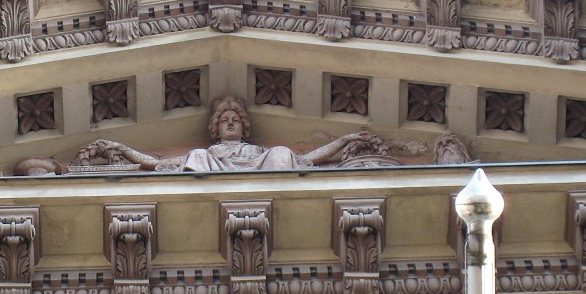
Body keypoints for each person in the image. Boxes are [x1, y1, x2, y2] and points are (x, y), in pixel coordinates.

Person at [80, 96, 377, 172]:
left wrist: (342, 141)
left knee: (283, 152)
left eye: (236, 119)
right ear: (216, 128)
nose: (231, 123)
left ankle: (274, 188)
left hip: (261, 173)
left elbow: (305, 158)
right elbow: (158, 163)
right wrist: (124, 148)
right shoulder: (206, 154)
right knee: (194, 156)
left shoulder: (261, 153)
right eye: (225, 120)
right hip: (212, 171)